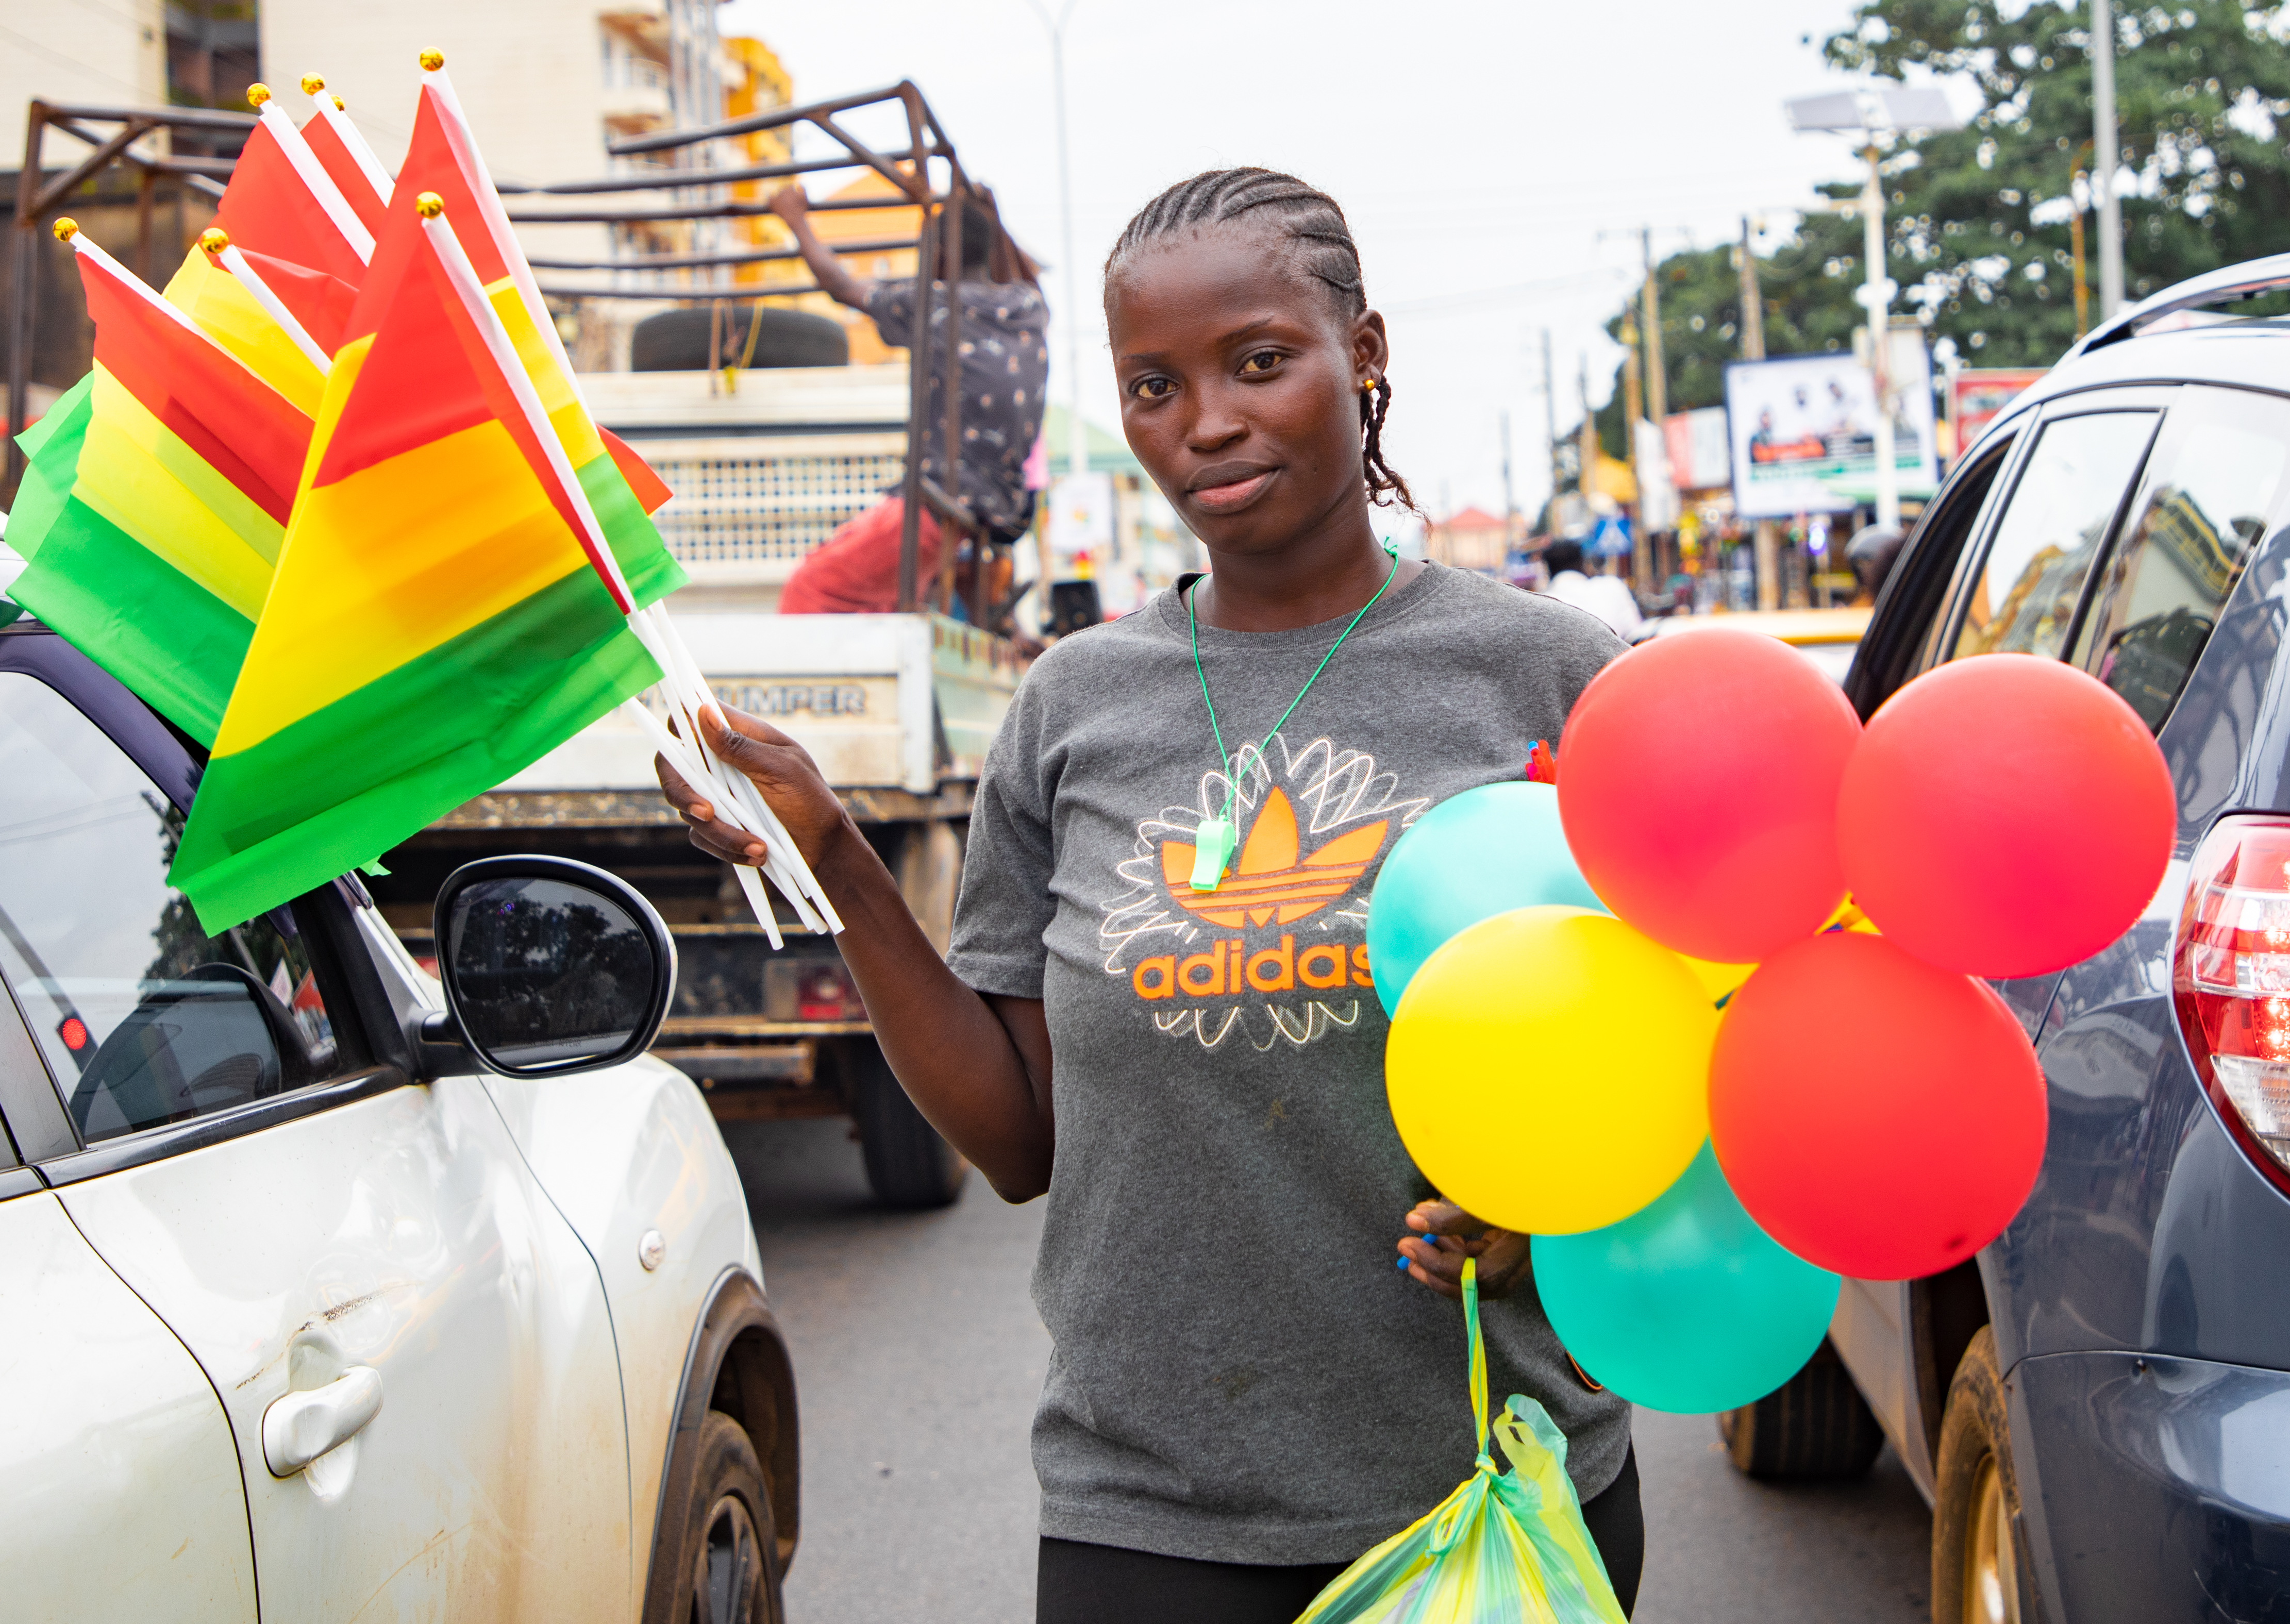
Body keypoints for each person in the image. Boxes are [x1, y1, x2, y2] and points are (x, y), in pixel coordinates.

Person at [663, 168, 1646, 1622]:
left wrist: (1553, 1221)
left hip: (1486, 1485)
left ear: (1362, 359)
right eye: (1153, 386)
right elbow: (1016, 1141)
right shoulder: (1071, 710)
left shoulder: (1552, 680)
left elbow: (1682, 1055)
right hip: (1150, 1509)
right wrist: (838, 859)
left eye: (1259, 363)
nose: (1207, 425)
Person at [766, 181, 1046, 617]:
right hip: (992, 510)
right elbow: (1020, 270)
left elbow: (842, 286)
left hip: (937, 504)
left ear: (938, 252)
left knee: (812, 589)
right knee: (880, 602)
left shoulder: (930, 304)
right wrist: (992, 213)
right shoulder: (1028, 306)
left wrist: (793, 218)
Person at [1539, 534, 1650, 644]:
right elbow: (1636, 634)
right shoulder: (1612, 586)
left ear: (1548, 570)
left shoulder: (1545, 603)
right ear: (1583, 563)